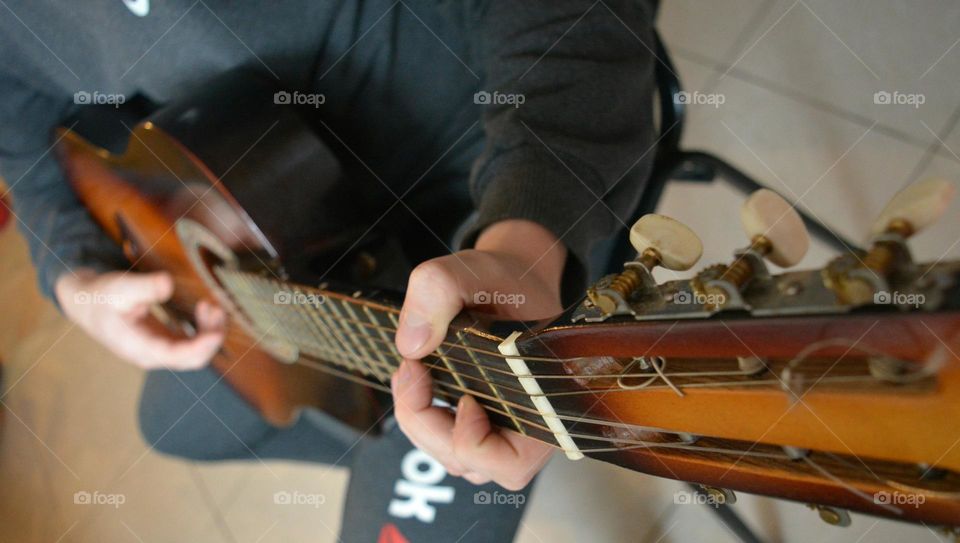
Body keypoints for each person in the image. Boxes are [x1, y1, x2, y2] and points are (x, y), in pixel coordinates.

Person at [0, 1, 658, 541]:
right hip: (267, 225)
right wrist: (69, 271)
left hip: (497, 226)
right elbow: (17, 121)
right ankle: (384, 429)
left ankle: (412, 441)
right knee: (175, 428)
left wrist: (527, 234)